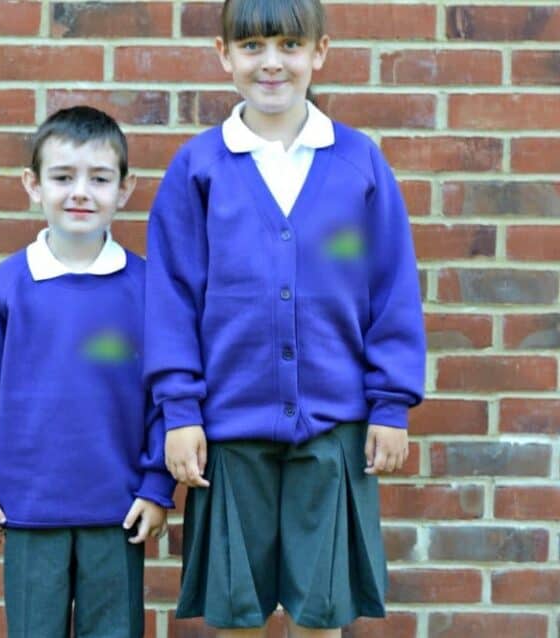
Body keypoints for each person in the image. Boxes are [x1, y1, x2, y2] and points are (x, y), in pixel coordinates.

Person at [144, 0, 426, 636]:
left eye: (289, 45)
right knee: (236, 614)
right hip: (230, 431)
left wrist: (389, 405)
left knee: (319, 613)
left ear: (319, 53)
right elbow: (171, 299)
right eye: (252, 47)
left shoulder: (357, 164)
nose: (271, 62)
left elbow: (389, 289)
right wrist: (180, 411)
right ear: (224, 56)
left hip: (331, 428)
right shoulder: (199, 169)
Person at [0, 105, 174, 638]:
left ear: (125, 188)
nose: (80, 193)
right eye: (63, 177)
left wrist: (156, 482)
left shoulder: (146, 289)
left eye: (99, 178)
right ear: (33, 184)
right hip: (29, 509)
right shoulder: (6, 288)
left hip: (119, 511)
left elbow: (165, 394)